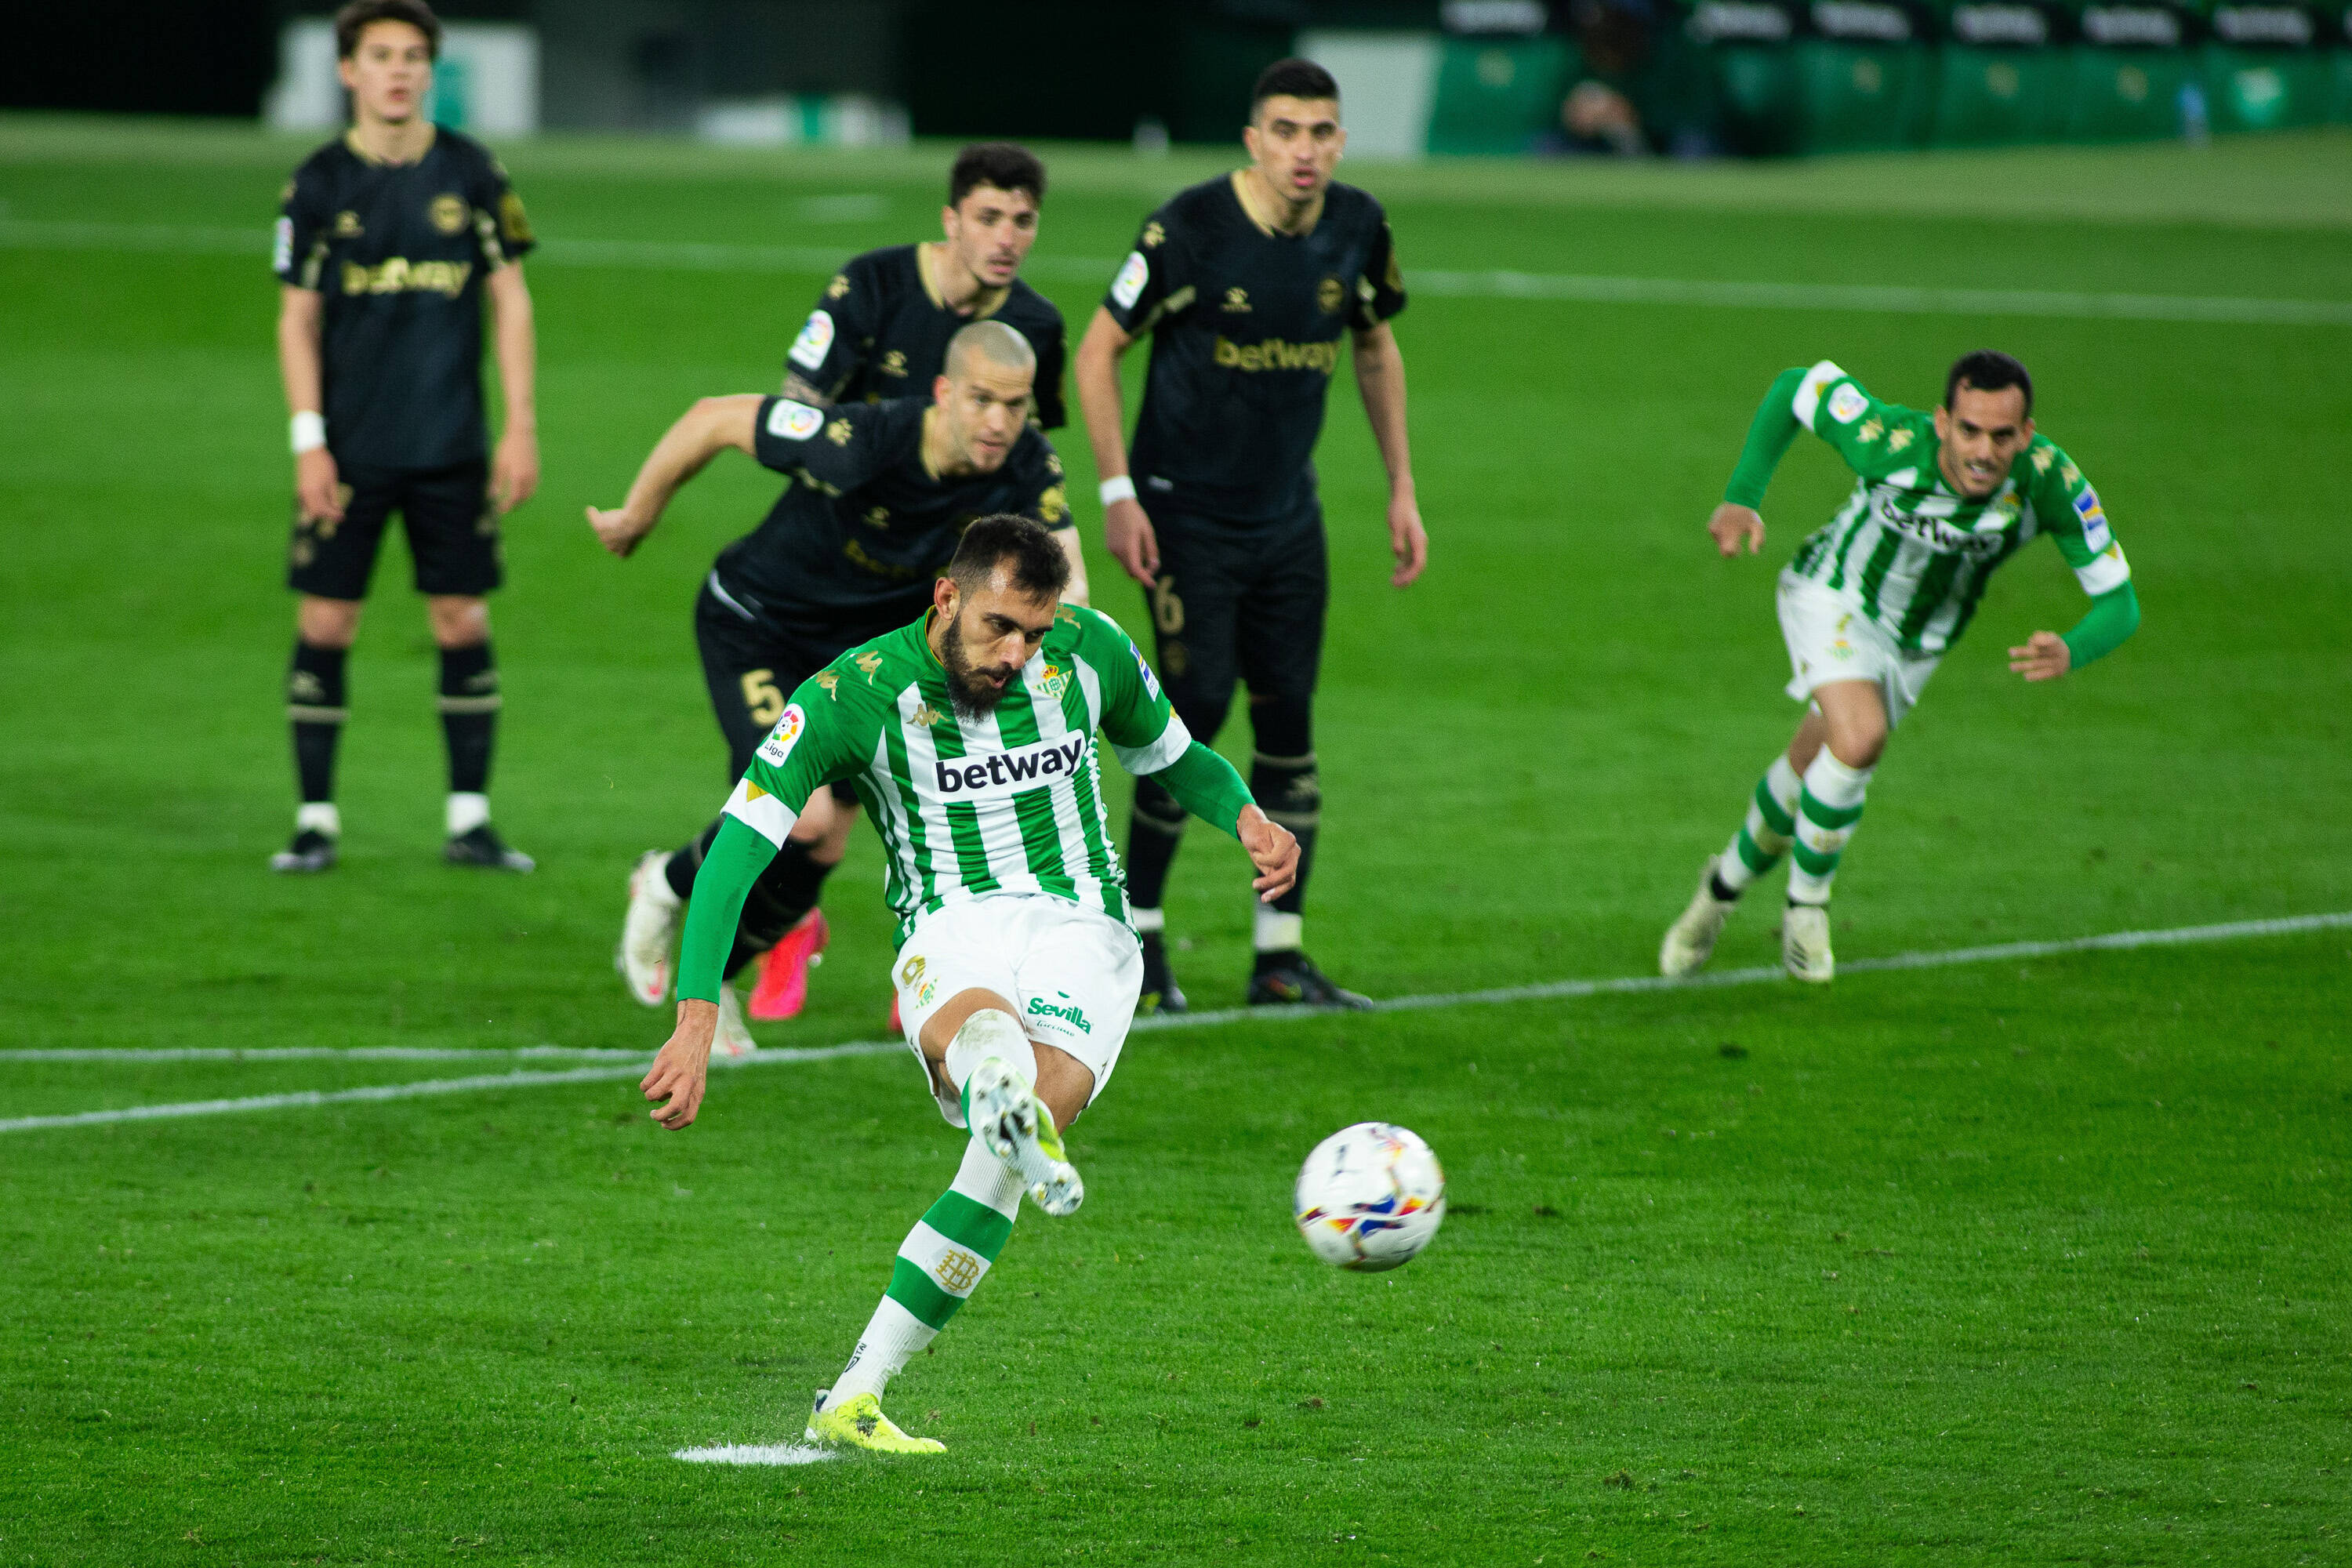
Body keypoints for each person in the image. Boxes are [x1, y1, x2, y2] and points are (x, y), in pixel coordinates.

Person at [635, 515, 1300, 1454]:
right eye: (999, 627)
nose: (1018, 654)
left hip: (1084, 928)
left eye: (1035, 631)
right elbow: (739, 847)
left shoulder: (1092, 651)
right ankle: (997, 1088)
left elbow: (1174, 757)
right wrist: (698, 1010)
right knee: (995, 1065)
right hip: (950, 923)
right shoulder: (849, 694)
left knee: (1016, 1136)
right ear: (946, 596)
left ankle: (856, 1388)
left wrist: (1247, 818)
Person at [589, 322, 1083, 1058]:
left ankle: (718, 979)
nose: (998, 422)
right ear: (944, 393)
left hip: (861, 665)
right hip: (757, 626)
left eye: (1015, 406)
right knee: (805, 816)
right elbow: (714, 419)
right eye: (982, 400)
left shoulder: (1027, 466)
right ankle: (664, 883)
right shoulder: (861, 438)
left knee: (821, 850)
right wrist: (637, 514)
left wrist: (1063, 665)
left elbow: (1065, 584)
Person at [1074, 56, 1428, 1014]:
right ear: (1253, 140)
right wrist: (1117, 492)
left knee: (1290, 720)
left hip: (1289, 517)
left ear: (1340, 141)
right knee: (1189, 710)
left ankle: (1280, 956)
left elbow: (1374, 343)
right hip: (1184, 514)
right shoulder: (1187, 229)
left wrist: (1401, 487)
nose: (1303, 152)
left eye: (1320, 133)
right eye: (1285, 131)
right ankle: (1139, 945)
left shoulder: (1358, 227)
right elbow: (1098, 349)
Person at [1660, 350, 2142, 982]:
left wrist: (2074, 647)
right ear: (1943, 421)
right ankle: (1808, 906)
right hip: (1830, 596)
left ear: (2025, 436)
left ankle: (1716, 895)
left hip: (1915, 647)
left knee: (1811, 766)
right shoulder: (1884, 441)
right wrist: (1742, 497)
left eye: (2002, 436)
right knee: (1859, 740)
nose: (1983, 452)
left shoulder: (2053, 483)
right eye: (1969, 430)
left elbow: (2120, 603)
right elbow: (1794, 387)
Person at [747, 140, 1069, 1018]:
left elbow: (1031, 469)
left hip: (927, 594)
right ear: (951, 218)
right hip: (823, 574)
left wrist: (1045, 612)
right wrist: (857, 468)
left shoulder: (1033, 327)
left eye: (1024, 221)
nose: (1007, 238)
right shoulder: (874, 287)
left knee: (943, 777)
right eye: (990, 217)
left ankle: (939, 960)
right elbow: (795, 406)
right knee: (812, 809)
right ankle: (743, 918)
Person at [270, 0, 539, 873]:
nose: (399, 70)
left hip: (453, 448)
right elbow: (296, 319)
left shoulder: (473, 172)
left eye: (414, 56)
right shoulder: (316, 185)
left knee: (461, 619)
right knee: (327, 618)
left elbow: (510, 298)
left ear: (430, 71)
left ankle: (471, 820)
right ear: (348, 70)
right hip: (348, 453)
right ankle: (315, 821)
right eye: (381, 55)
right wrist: (309, 440)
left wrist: (519, 425)